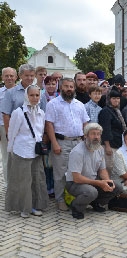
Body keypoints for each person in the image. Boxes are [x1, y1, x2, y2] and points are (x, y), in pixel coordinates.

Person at [45, 78, 90, 211]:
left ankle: (75, 197)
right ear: (61, 88)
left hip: (78, 142)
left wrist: (85, 141)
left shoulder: (79, 104)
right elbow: (49, 124)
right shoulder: (53, 104)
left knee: (78, 171)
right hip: (61, 142)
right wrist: (54, 143)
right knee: (60, 173)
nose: (69, 89)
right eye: (66, 86)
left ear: (74, 88)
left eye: (71, 86)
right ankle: (60, 200)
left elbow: (85, 123)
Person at [5, 85, 49, 218]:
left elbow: (40, 133)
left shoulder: (41, 112)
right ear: (26, 96)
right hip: (21, 151)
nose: (34, 98)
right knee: (23, 181)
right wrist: (10, 150)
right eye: (32, 95)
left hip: (35, 152)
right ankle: (24, 207)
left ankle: (35, 206)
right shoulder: (18, 112)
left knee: (37, 179)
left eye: (37, 95)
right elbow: (12, 133)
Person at [65, 123, 118, 219]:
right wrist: (99, 183)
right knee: (91, 192)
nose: (96, 137)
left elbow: (103, 170)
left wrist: (107, 181)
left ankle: (95, 202)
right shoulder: (77, 152)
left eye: (98, 134)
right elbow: (77, 178)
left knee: (116, 186)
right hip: (74, 183)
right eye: (93, 134)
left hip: (92, 181)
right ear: (86, 136)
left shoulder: (100, 149)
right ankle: (76, 207)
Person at [1, 64, 46, 135]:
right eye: (27, 75)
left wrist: (44, 134)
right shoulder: (10, 93)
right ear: (20, 75)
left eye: (32, 76)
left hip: (35, 132)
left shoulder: (40, 93)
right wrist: (9, 134)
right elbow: (6, 115)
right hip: (17, 132)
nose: (29, 78)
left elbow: (44, 114)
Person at [98, 89, 127, 173]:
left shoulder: (117, 111)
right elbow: (105, 129)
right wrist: (107, 146)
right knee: (109, 169)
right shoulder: (105, 111)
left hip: (117, 144)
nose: (116, 100)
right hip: (110, 145)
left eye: (118, 98)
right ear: (109, 99)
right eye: (113, 98)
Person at [0, 67, 17, 187]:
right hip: (2, 126)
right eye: (6, 76)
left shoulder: (22, 92)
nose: (9, 78)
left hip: (20, 128)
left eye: (11, 75)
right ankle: (8, 184)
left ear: (16, 77)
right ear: (2, 78)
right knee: (6, 156)